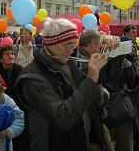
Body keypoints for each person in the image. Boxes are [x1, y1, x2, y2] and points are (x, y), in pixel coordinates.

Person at [16, 18, 109, 151]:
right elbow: (63, 117)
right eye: (67, 45)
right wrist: (90, 79)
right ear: (51, 43)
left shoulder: (66, 62)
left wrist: (111, 51)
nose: (71, 50)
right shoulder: (32, 77)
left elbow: (95, 97)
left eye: (73, 45)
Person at [0, 45, 29, 150]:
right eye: (7, 54)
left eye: (12, 54)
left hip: (18, 110)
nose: (11, 56)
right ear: (0, 59)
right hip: (1, 110)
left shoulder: (21, 71)